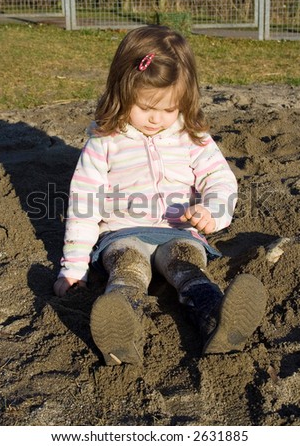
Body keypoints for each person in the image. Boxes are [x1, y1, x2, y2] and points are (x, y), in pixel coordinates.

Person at [53, 25, 267, 365]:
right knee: (128, 271)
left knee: (187, 269)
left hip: (178, 231)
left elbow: (219, 179)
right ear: (122, 91)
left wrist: (212, 211)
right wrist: (74, 267)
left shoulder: (192, 136)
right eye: (144, 107)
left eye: (169, 109)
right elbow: (84, 202)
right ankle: (122, 334)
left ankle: (220, 322)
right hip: (122, 233)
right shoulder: (104, 141)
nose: (157, 118)